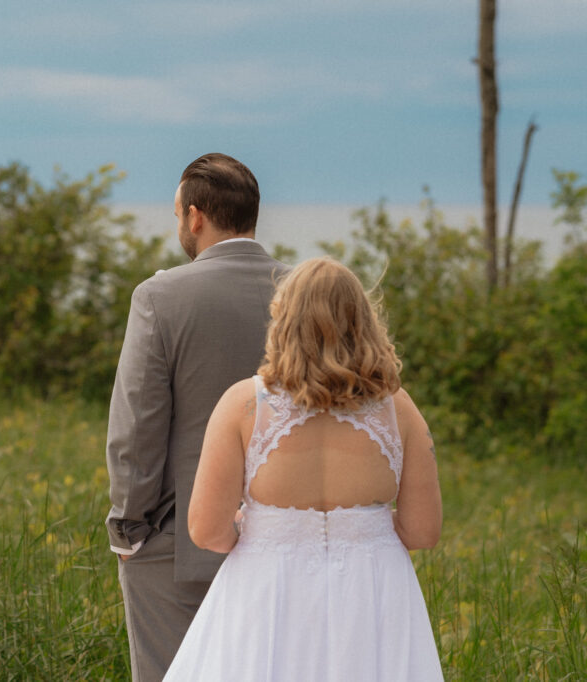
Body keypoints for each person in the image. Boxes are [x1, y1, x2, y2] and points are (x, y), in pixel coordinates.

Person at [164, 257, 444, 681]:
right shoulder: (398, 408)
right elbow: (423, 531)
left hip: (268, 589)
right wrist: (362, 527)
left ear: (283, 320)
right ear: (363, 320)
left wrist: (261, 528)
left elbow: (206, 530)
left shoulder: (243, 406)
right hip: (371, 592)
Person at [104, 153, 289, 682]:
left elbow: (137, 427)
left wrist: (129, 531)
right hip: (285, 543)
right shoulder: (308, 294)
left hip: (177, 541)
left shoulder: (160, 297)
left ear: (194, 216)